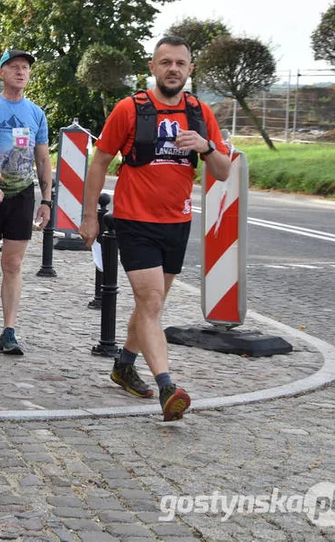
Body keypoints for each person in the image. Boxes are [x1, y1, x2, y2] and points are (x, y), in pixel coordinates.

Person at [80, 35, 230, 422]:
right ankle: (167, 386)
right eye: (165, 62)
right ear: (152, 67)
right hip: (134, 220)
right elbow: (99, 162)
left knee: (152, 305)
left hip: (177, 222)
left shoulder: (200, 113)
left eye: (180, 63)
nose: (173, 69)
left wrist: (206, 147)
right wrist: (89, 215)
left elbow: (223, 171)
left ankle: (124, 364)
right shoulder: (130, 109)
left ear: (190, 69)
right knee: (150, 303)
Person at [0, 50, 53, 355]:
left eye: (25, 68)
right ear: (0, 73)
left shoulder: (36, 114)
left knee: (13, 264)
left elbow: (42, 158)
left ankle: (8, 330)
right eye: (14, 67)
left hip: (21, 193)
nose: (21, 72)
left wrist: (47, 199)